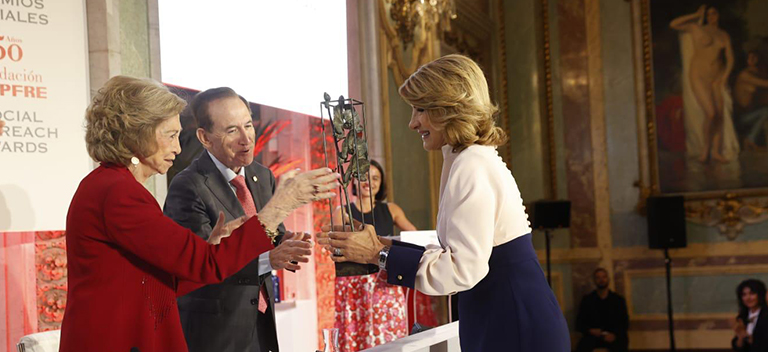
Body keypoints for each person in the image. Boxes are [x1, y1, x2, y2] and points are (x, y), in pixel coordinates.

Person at [59, 76, 338, 352]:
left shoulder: (112, 186)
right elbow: (205, 264)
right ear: (138, 134)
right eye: (170, 135)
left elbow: (168, 278)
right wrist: (281, 205)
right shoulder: (118, 193)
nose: (178, 148)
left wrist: (211, 247)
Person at [319, 54, 570, 351]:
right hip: (506, 318)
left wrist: (377, 254)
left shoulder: (471, 163)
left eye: (420, 109)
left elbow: (462, 270)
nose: (412, 123)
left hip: (515, 326)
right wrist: (379, 243)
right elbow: (456, 253)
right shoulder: (467, 158)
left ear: (449, 108)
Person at [163, 87, 309, 352]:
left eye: (248, 125)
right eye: (232, 130)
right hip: (217, 333)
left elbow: (271, 233)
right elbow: (199, 267)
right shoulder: (188, 186)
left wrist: (285, 244)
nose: (246, 138)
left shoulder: (262, 176)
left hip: (262, 324)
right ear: (205, 138)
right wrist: (269, 259)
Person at [331, 159, 416, 351]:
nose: (369, 182)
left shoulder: (391, 209)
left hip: (384, 281)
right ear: (354, 180)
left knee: (389, 338)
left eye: (375, 177)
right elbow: (337, 246)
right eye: (364, 176)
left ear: (381, 182)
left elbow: (413, 237)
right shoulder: (342, 212)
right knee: (357, 338)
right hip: (353, 283)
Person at [671, 5, 739, 163]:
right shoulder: (696, 28)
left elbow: (730, 59)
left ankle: (715, 152)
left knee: (719, 115)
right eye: (708, 14)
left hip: (717, 78)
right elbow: (673, 24)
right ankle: (705, 150)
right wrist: (695, 14)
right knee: (711, 113)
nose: (711, 16)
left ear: (718, 15)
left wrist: (724, 77)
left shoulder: (724, 35)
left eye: (714, 13)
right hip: (699, 76)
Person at [575, 268, 629, 352]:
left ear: (608, 279)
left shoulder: (618, 300)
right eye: (598, 277)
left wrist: (614, 334)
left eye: (604, 277)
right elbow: (579, 323)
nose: (601, 280)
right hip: (593, 337)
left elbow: (624, 322)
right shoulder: (588, 300)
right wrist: (591, 330)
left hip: (614, 336)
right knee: (582, 347)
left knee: (621, 344)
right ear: (594, 280)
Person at [734, 51, 768, 150]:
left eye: (755, 57)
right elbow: (765, 84)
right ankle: (750, 140)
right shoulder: (744, 75)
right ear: (746, 60)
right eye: (750, 57)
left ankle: (751, 139)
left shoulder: (755, 73)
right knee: (766, 111)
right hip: (740, 117)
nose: (753, 60)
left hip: (749, 113)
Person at [733, 279, 768, 351]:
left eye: (752, 293)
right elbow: (738, 347)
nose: (748, 298)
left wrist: (751, 339)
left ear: (760, 295)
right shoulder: (743, 316)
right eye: (744, 295)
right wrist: (740, 338)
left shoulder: (766, 315)